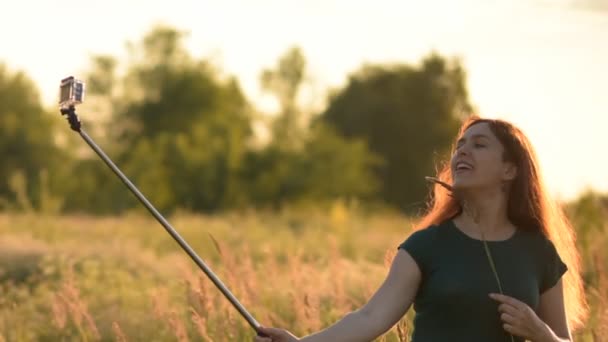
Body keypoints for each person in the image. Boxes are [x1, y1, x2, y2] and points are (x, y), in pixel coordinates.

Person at [254, 116, 588, 342]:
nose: (462, 151)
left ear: (509, 170)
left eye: (479, 144)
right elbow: (369, 318)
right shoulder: (426, 246)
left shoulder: (538, 251)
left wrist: (542, 334)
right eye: (460, 145)